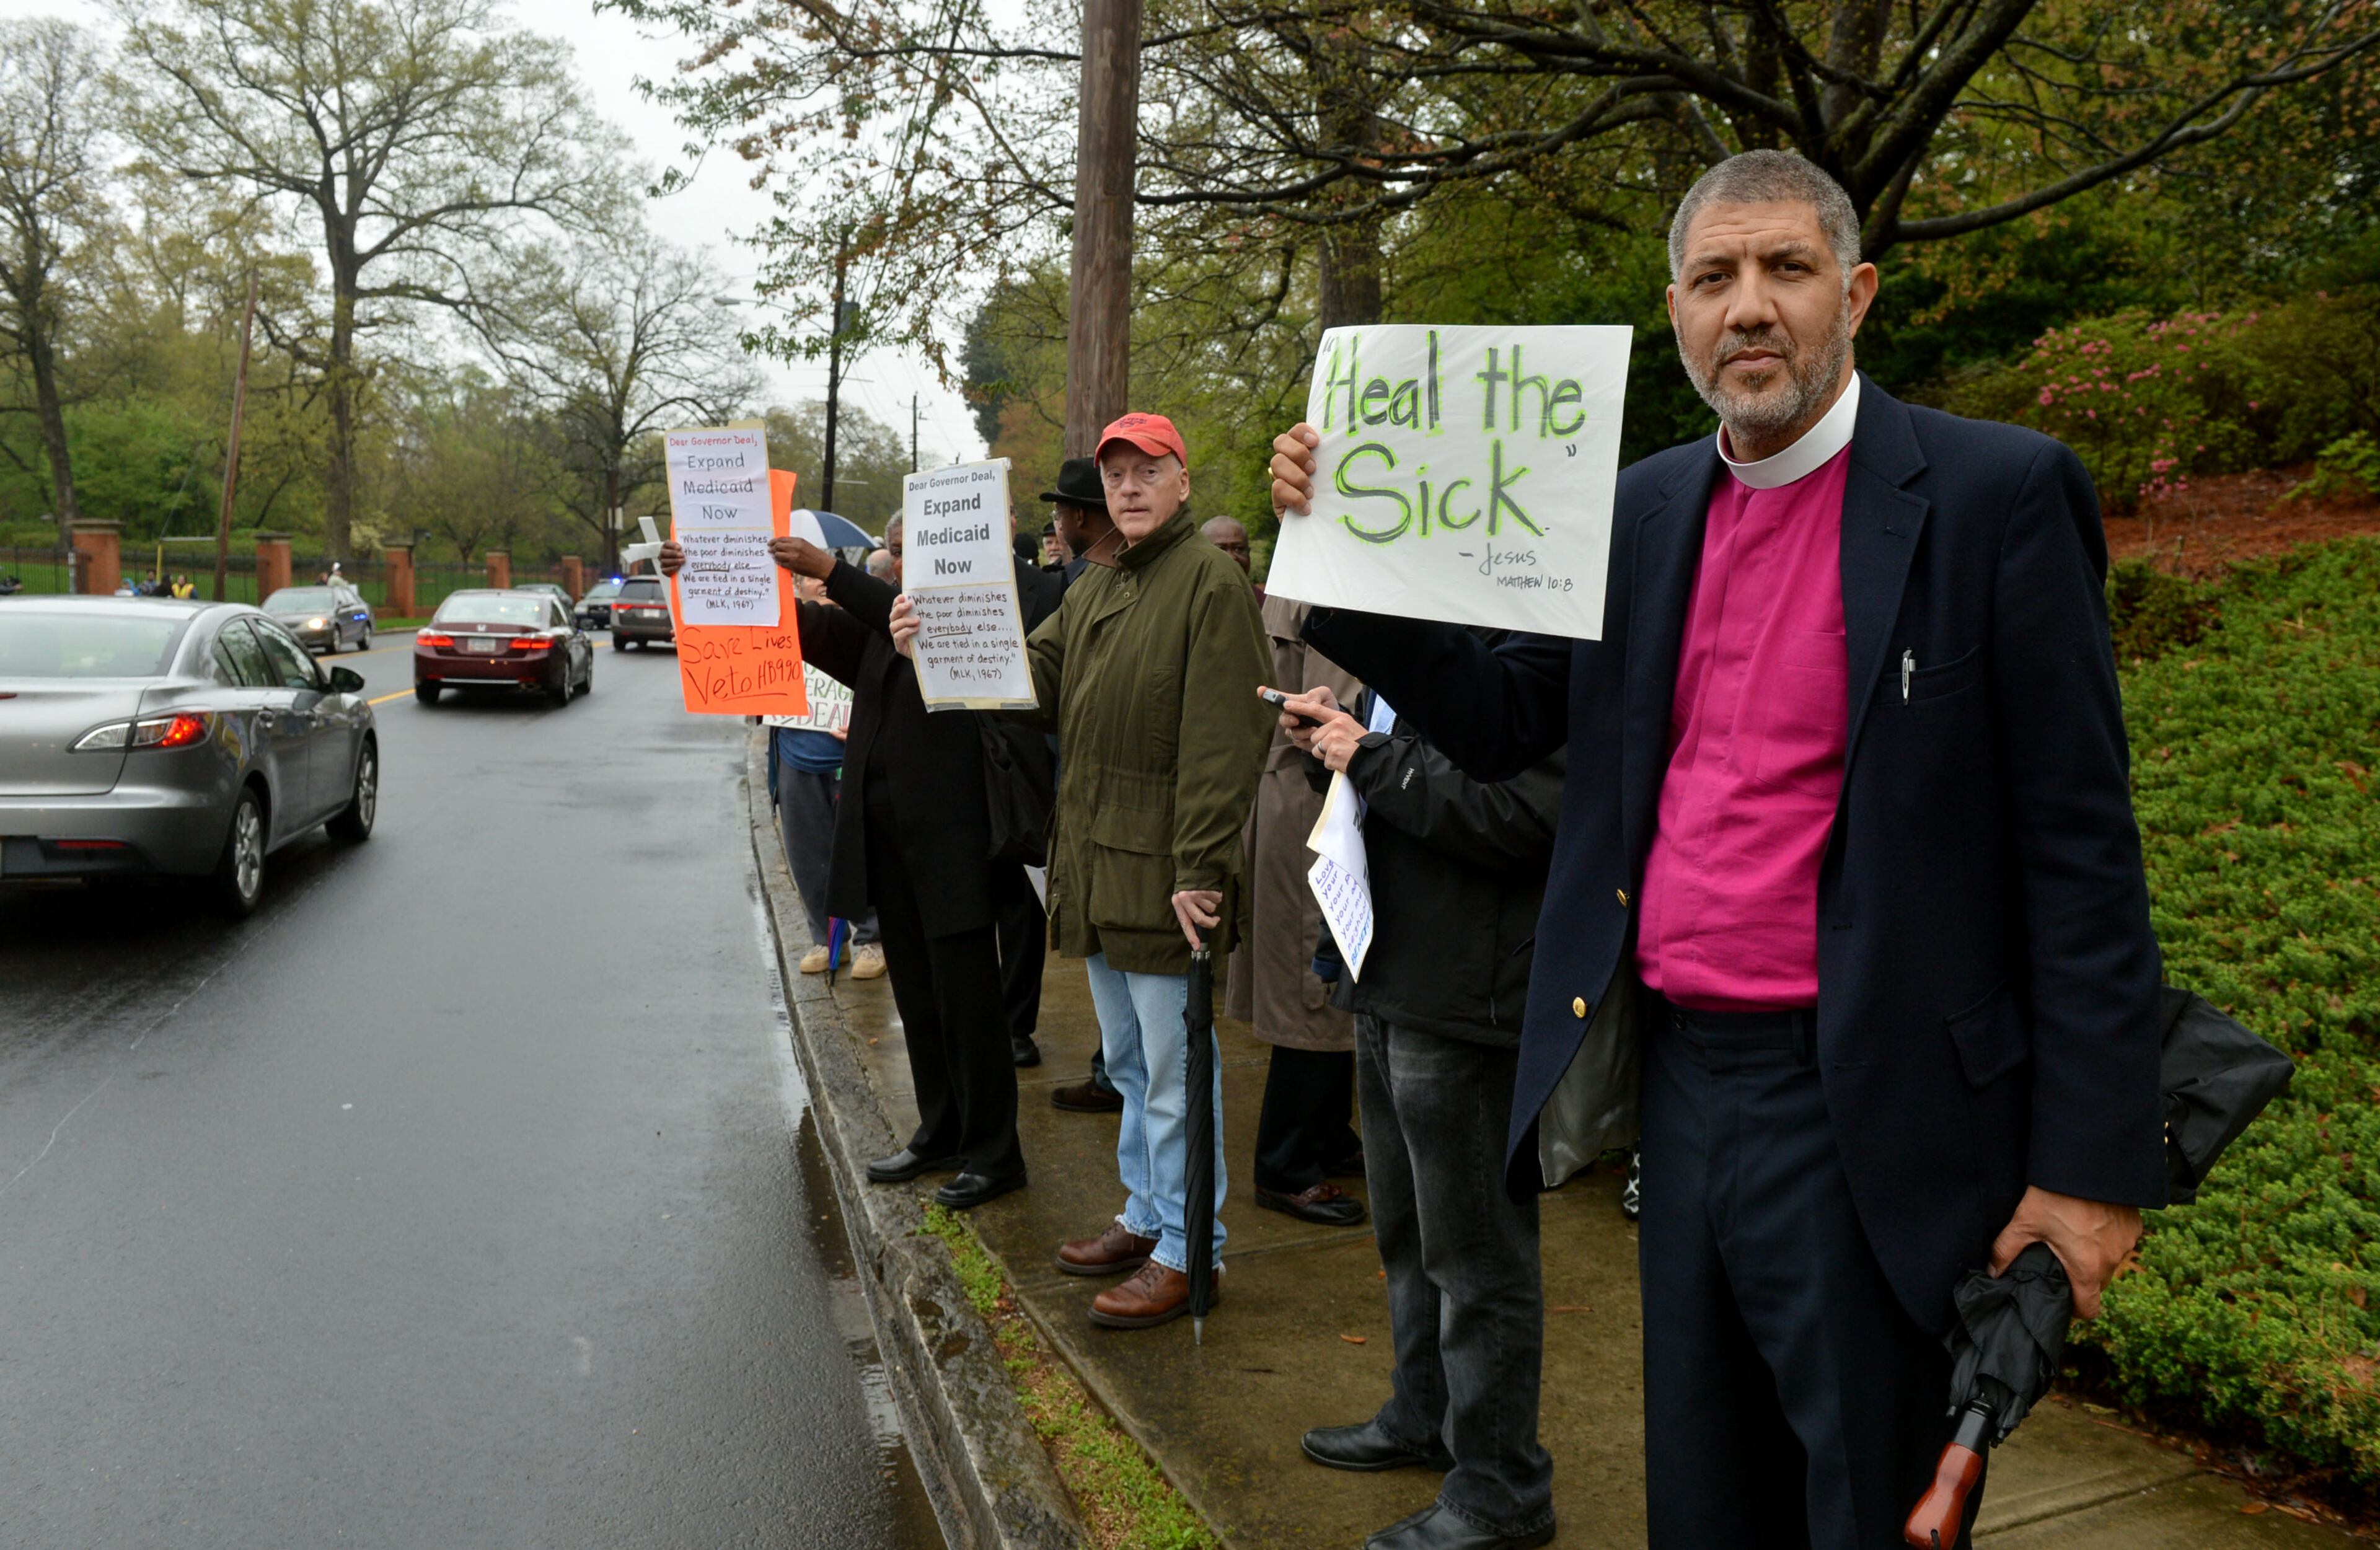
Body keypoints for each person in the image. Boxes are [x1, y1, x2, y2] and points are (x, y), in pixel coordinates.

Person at [1269, 149, 2165, 1550]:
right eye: (1712, 278)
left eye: (1784, 270)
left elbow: (2081, 856)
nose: (1747, 307)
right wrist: (1341, 557)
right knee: (1701, 1497)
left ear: (1852, 294)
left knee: (1866, 1507)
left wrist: (2088, 1173)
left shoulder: (1996, 496)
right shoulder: (1635, 510)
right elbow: (1507, 718)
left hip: (1878, 1103)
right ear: (1674, 313)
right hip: (1682, 1085)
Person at [893, 412, 1272, 1331]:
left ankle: (1191, 1252)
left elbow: (1227, 741)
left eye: (1148, 471)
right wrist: (929, 647)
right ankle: (1146, 1218)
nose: (1130, 488)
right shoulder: (1102, 583)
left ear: (1184, 480)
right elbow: (1033, 680)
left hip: (1166, 875)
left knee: (1178, 1074)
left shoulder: (1208, 584)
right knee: (1135, 1067)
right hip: (1099, 866)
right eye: (1116, 476)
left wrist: (1203, 869)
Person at [656, 524, 1037, 1212]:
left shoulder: (972, 630)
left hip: (953, 843)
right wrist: (699, 577)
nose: (916, 571)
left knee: (968, 1001)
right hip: (891, 844)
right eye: (911, 555)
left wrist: (830, 568)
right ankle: (942, 1130)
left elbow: (865, 602)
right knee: (919, 997)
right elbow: (787, 624)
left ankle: (994, 1153)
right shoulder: (871, 632)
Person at [1277, 667, 1564, 1550]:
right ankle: (1423, 1414)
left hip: (1467, 993)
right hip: (1393, 968)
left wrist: (1372, 756)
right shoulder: (1424, 638)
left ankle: (1500, 1488)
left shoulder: (1536, 639)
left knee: (1475, 1255)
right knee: (1408, 1233)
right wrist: (1343, 733)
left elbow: (1528, 816)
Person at [1228, 592, 1366, 1228]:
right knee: (1312, 980)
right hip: (1312, 795)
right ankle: (1285, 1164)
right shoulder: (1321, 581)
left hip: (1327, 792)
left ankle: (1326, 1135)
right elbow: (1323, 705)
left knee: (1341, 979)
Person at [1036, 454, 1127, 1116]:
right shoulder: (1083, 586)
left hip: (1139, 842)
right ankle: (1149, 1208)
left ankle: (1179, 1222)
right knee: (1129, 1040)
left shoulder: (1194, 584)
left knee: (1160, 1060)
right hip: (1087, 819)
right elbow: (1038, 671)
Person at [766, 570, 884, 979]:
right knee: (810, 857)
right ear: (795, 586)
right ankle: (830, 942)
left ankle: (871, 940)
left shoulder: (862, 627)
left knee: (857, 852)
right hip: (797, 756)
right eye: (803, 576)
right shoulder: (786, 629)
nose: (813, 581)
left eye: (818, 572)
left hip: (851, 759)